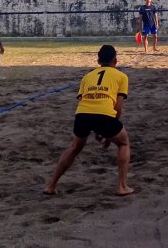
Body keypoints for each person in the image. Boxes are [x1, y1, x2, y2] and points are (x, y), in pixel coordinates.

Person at [43, 44, 134, 197]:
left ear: (98, 61)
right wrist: (108, 131)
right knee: (123, 143)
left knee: (74, 147)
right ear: (115, 60)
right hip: (104, 115)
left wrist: (101, 130)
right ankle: (122, 186)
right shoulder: (121, 77)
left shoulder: (87, 77)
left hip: (82, 114)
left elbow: (84, 102)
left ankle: (51, 185)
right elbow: (118, 107)